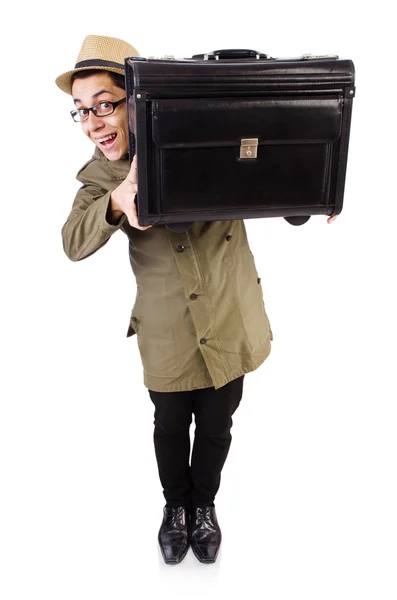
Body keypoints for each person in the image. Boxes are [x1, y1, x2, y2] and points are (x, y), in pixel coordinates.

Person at [56, 35, 337, 565]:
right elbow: (72, 242)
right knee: (168, 427)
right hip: (168, 331)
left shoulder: (208, 139)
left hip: (231, 316)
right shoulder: (98, 178)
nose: (93, 121)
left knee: (216, 424)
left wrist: (311, 193)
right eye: (80, 111)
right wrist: (116, 202)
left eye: (104, 104)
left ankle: (204, 507)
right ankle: (175, 509)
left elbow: (269, 173)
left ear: (138, 100)